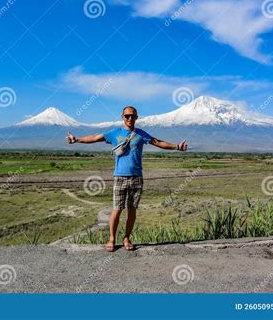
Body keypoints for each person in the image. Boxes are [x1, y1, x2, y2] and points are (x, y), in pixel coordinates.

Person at [66, 106, 187, 251]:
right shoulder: (114, 133)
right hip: (120, 177)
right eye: (127, 116)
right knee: (117, 209)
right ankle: (111, 239)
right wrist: (76, 139)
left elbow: (158, 142)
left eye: (133, 116)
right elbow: (95, 137)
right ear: (122, 117)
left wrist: (177, 147)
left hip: (136, 177)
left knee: (132, 210)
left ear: (136, 117)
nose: (130, 118)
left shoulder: (141, 134)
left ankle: (127, 238)